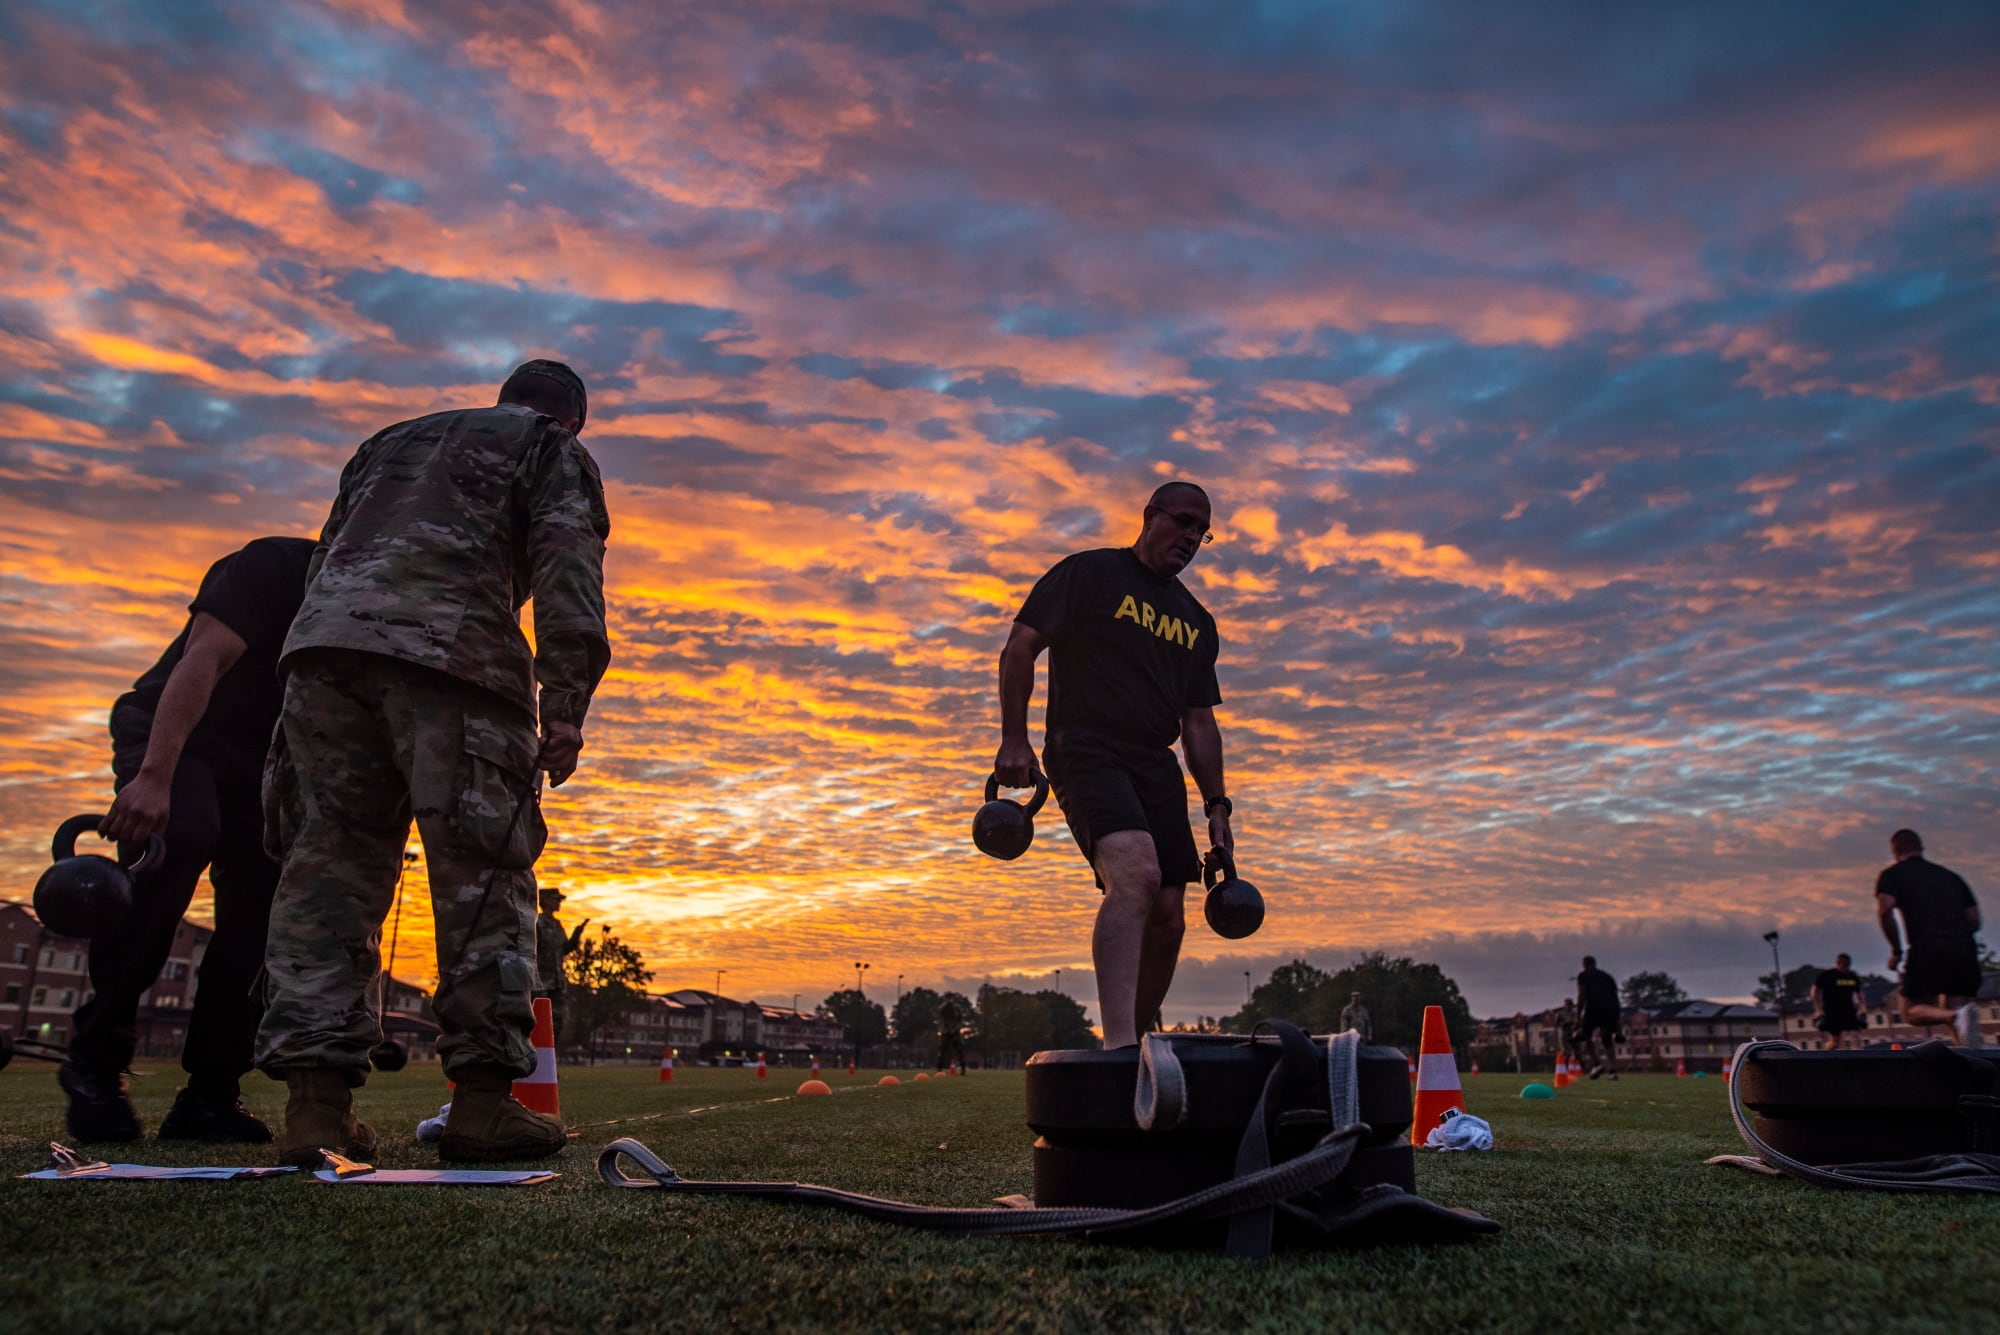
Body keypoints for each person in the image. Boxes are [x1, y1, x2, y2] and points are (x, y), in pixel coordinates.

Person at [255, 360, 611, 1165]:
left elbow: (327, 554)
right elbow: (566, 560)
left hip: (321, 657)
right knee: (482, 872)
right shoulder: (548, 445)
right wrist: (565, 702)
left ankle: (316, 1113)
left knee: (326, 873)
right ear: (572, 418)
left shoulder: (386, 442)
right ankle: (482, 1106)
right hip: (454, 655)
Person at [58, 537, 317, 1144]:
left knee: (262, 912)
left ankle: (209, 1095)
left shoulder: (383, 600)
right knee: (181, 839)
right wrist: (153, 778)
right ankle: (95, 1062)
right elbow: (200, 660)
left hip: (263, 763)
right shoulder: (275, 566)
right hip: (177, 734)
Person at [994, 481, 1232, 1050]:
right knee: (1138, 877)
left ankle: (1140, 1039)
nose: (1192, 538)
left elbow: (1199, 723)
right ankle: (1120, 1049)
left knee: (1170, 913)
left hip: (1156, 762)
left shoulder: (1197, 621)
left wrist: (1218, 807)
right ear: (1150, 516)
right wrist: (1013, 741)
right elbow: (1020, 647)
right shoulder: (1090, 574)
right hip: (1086, 746)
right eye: (1183, 522)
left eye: (1203, 532)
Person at [1876, 829, 1984, 1047]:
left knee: (1911, 1011)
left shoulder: (1894, 874)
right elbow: (1974, 919)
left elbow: (1885, 909)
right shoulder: (1951, 877)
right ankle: (1971, 1066)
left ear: (1896, 850)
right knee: (1959, 1009)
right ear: (1920, 847)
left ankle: (1953, 1017)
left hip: (1928, 946)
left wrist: (1896, 950)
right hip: (1963, 947)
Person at [534, 886, 589, 1049]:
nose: (559, 903)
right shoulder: (537, 923)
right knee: (538, 1021)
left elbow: (564, 949)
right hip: (541, 981)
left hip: (558, 983)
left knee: (558, 1021)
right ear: (545, 901)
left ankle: (549, 1061)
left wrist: (576, 935)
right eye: (556, 899)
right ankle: (533, 1064)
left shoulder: (557, 925)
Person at [1575, 956, 1622, 1079]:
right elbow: (1616, 997)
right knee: (1607, 1039)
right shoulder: (1607, 977)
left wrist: (1578, 1015)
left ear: (1584, 964)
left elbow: (1582, 995)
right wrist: (1617, 1016)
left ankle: (1597, 1064)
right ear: (1595, 963)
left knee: (1586, 1036)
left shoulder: (1583, 976)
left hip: (1593, 1009)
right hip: (1610, 1010)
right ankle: (1613, 1071)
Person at [1810, 953, 1866, 1051]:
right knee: (1835, 1042)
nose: (1845, 967)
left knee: (1855, 1034)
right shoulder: (1828, 975)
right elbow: (1814, 990)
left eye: (1847, 965)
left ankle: (1859, 1058)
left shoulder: (1852, 976)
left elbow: (1859, 993)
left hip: (1848, 1010)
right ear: (1838, 963)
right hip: (1831, 1011)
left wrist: (1863, 1007)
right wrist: (1818, 1008)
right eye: (1843, 964)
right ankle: (1827, 1056)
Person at [936, 996, 966, 1073]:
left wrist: (956, 1029)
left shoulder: (957, 1009)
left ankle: (963, 1067)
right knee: (942, 1050)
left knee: (959, 1049)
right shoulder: (943, 1009)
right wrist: (947, 1029)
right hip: (945, 1032)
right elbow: (941, 1018)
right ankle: (940, 1067)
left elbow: (960, 1020)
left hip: (955, 1031)